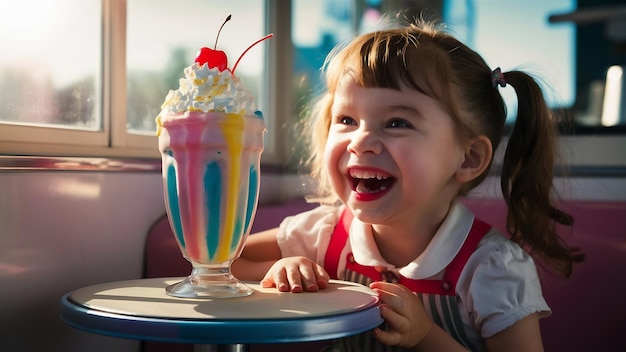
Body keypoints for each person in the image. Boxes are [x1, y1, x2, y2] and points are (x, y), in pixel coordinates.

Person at [232, 19, 583, 352]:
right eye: (347, 120)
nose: (361, 141)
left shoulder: (493, 269)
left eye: (397, 122)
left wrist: (425, 336)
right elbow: (222, 260)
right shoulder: (323, 235)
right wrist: (280, 269)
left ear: (469, 158)